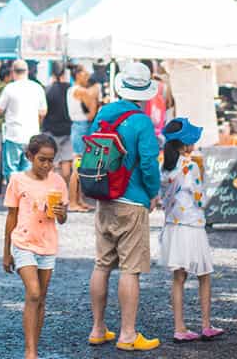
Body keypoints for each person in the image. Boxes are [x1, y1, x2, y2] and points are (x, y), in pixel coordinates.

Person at [87, 62, 161, 352]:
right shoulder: (142, 122)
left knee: (102, 264)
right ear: (144, 91)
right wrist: (153, 192)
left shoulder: (104, 112)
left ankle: (97, 328)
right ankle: (128, 334)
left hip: (104, 196)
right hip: (132, 201)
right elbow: (148, 163)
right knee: (130, 269)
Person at [2, 134, 68, 359]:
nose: (47, 165)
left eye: (51, 160)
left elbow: (62, 218)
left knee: (41, 299)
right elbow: (11, 217)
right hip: (23, 243)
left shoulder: (58, 182)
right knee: (33, 292)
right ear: (30, 156)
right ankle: (29, 352)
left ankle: (34, 347)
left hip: (47, 245)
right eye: (42, 159)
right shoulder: (18, 180)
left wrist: (61, 214)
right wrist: (6, 253)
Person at [158, 118, 222, 343]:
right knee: (204, 275)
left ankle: (179, 327)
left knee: (179, 278)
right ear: (184, 145)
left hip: (173, 228)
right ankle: (206, 325)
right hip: (192, 226)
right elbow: (200, 198)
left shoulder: (164, 167)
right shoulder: (191, 166)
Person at [0, 60, 46, 185]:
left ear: (12, 72)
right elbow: (43, 111)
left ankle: (14, 198)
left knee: (12, 170)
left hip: (13, 135)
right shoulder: (37, 87)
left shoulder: (10, 88)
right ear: (27, 71)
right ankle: (25, 198)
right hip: (32, 135)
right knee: (27, 169)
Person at [67, 66, 100, 212]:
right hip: (82, 127)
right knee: (78, 166)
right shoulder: (80, 91)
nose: (87, 76)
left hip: (78, 126)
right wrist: (95, 92)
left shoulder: (72, 89)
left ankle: (78, 200)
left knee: (80, 165)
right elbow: (93, 111)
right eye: (85, 73)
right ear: (78, 74)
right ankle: (73, 201)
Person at [40, 62, 74, 194]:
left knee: (51, 163)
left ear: (52, 74)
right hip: (67, 130)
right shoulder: (70, 89)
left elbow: (43, 112)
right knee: (66, 163)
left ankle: (51, 191)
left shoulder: (48, 90)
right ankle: (63, 190)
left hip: (51, 130)